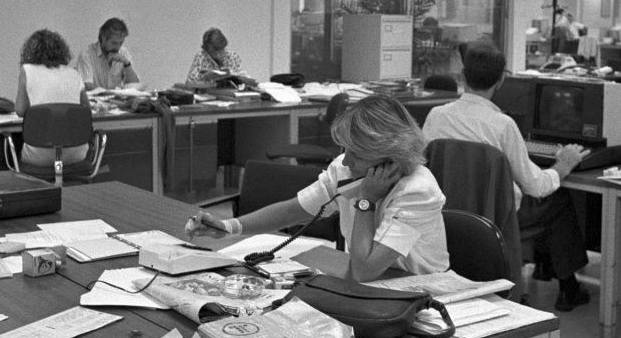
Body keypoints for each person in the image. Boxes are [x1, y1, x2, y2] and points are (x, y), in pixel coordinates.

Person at [187, 95, 449, 281]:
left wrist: (366, 200)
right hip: (377, 288)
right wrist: (230, 227)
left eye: (356, 153)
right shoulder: (348, 169)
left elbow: (364, 269)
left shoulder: (417, 192)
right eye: (345, 149)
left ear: (389, 156)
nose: (345, 160)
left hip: (421, 293)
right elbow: (294, 210)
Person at [422, 43, 591, 312]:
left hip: (449, 214)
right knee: (557, 199)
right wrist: (563, 164)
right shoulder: (502, 125)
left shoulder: (436, 116)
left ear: (462, 76)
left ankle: (548, 275)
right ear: (501, 80)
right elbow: (536, 186)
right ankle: (569, 289)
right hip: (496, 217)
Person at [15, 29, 90, 166]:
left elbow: (20, 110)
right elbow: (86, 109)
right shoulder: (74, 74)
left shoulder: (27, 70)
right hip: (76, 153)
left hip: (39, 155)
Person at [75, 17, 140, 90]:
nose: (118, 47)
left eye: (121, 43)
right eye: (114, 43)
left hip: (116, 100)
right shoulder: (87, 54)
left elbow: (134, 85)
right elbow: (86, 85)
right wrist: (108, 94)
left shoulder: (123, 52)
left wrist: (126, 64)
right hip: (94, 100)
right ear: (103, 38)